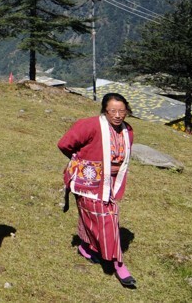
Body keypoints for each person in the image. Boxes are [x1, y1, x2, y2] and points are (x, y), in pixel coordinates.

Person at [59, 93, 137, 289]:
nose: (118, 115)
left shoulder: (127, 131)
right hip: (89, 181)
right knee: (108, 218)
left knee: (92, 217)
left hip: (109, 182)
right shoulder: (90, 125)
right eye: (113, 111)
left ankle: (86, 247)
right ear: (104, 110)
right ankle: (118, 264)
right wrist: (84, 162)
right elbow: (64, 144)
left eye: (122, 111)